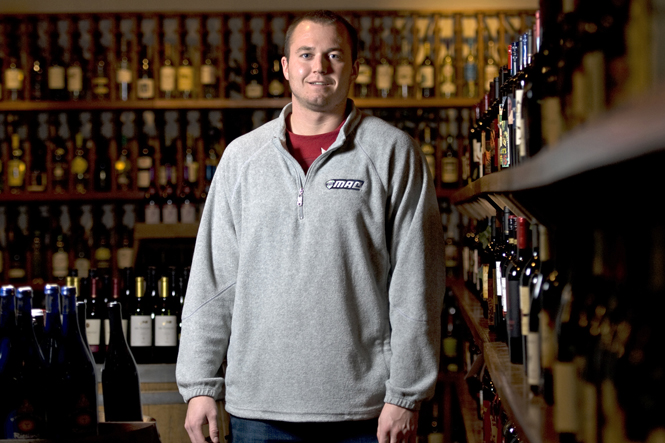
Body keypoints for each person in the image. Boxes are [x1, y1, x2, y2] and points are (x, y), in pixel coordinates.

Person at [176, 10, 445, 443]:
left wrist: (406, 394)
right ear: (285, 67)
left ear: (355, 68)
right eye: (306, 54)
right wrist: (199, 383)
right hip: (258, 411)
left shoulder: (394, 153)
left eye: (333, 55)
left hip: (366, 412)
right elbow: (213, 279)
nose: (319, 67)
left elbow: (418, 282)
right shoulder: (242, 158)